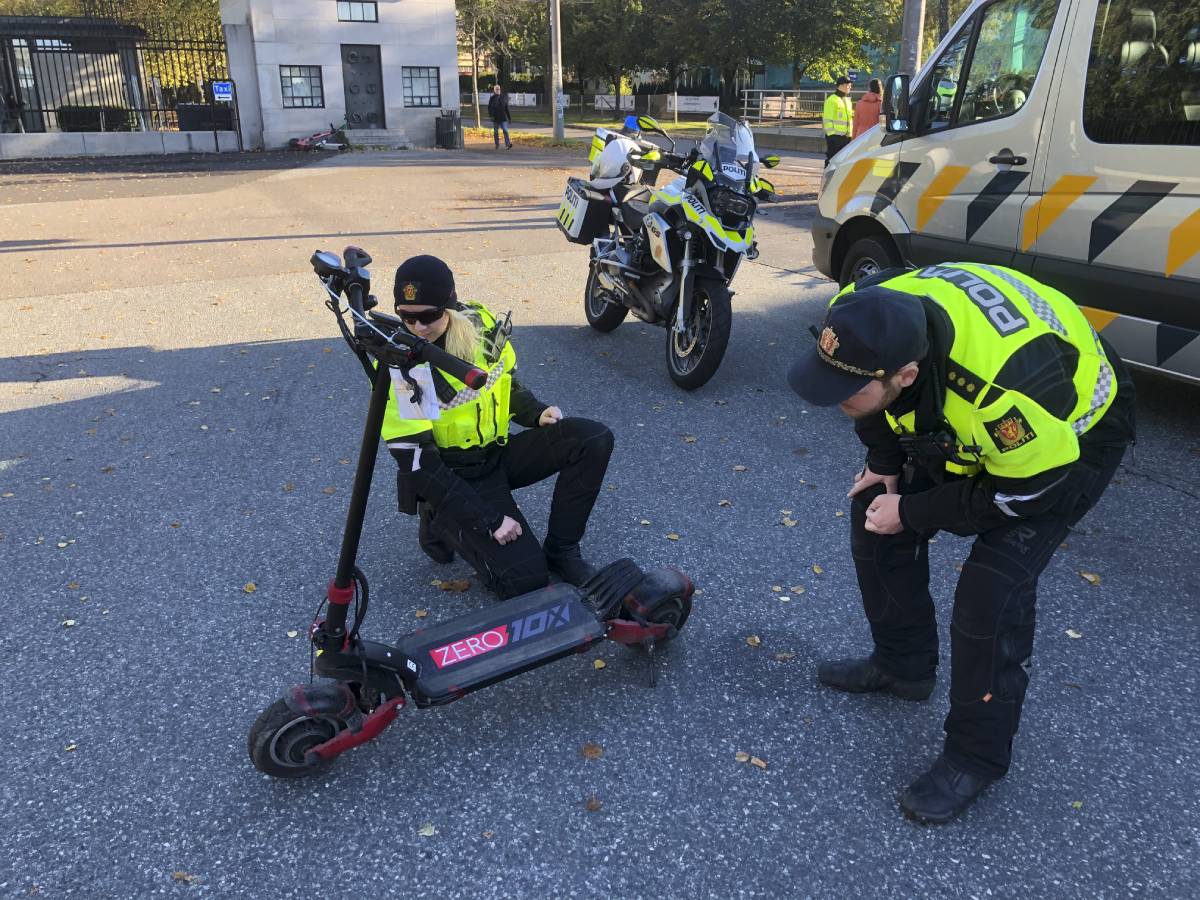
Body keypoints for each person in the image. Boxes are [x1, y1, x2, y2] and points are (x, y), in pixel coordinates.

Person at [787, 263, 1135, 824]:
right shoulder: (862, 308)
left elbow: (1022, 493)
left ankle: (976, 756)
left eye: (848, 389)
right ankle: (904, 666)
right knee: (873, 512)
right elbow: (870, 406)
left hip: (1065, 436)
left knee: (991, 593)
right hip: (959, 403)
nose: (836, 399)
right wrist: (885, 468)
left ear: (904, 373)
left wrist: (916, 509)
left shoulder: (1003, 393)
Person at [384, 254, 613, 599]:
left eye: (429, 316)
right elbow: (419, 464)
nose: (417, 328)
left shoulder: (482, 326)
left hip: (496, 455)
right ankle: (440, 519)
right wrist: (486, 519)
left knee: (592, 439)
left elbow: (505, 382)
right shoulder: (403, 366)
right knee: (526, 581)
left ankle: (562, 551)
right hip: (453, 476)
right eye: (406, 317)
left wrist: (535, 413)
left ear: (450, 305)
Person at [822, 76, 854, 166]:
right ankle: (828, 178)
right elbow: (827, 120)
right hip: (835, 137)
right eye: (848, 85)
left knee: (843, 163)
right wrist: (832, 136)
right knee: (832, 161)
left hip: (846, 138)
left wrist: (850, 135)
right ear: (842, 85)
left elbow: (849, 119)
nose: (850, 87)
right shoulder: (832, 100)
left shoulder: (847, 101)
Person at [487, 84, 512, 150]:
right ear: (494, 90)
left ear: (500, 89)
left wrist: (509, 118)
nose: (498, 90)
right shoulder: (492, 98)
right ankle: (497, 144)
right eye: (496, 89)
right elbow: (489, 108)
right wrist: (491, 116)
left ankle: (508, 144)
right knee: (495, 132)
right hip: (495, 118)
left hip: (503, 117)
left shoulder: (504, 97)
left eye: (499, 89)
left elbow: (506, 108)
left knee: (505, 130)